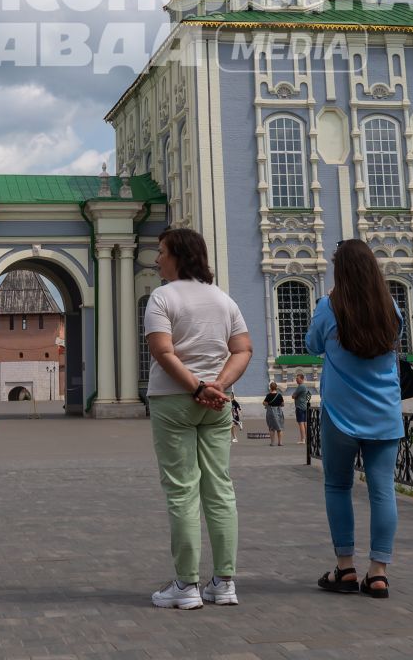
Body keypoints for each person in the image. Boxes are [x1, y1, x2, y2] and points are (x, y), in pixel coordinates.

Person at [143, 225, 252, 610]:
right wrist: (217, 385)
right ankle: (224, 582)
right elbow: (243, 349)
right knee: (220, 489)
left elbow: (162, 351)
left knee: (181, 491)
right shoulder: (224, 300)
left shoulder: (161, 297)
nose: (157, 259)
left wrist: (195, 387)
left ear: (179, 256)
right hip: (218, 405)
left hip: (175, 402)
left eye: (161, 251)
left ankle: (186, 586)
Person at [307, 239, 403, 601]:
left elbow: (311, 345)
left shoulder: (329, 307)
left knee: (337, 486)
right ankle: (378, 573)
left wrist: (325, 305)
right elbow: (395, 341)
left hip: (340, 414)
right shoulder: (390, 307)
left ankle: (345, 567)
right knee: (383, 491)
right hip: (384, 413)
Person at [264, 381, 286, 447]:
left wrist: (268, 404)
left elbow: (264, 403)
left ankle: (272, 442)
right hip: (278, 412)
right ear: (276, 388)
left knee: (271, 428)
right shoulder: (279, 395)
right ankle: (280, 442)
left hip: (270, 412)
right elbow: (283, 404)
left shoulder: (268, 395)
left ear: (270, 388)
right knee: (280, 427)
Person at [291, 373, 313, 439]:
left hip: (300, 407)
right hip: (304, 406)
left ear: (302, 379)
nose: (296, 380)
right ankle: (307, 438)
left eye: (297, 379)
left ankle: (302, 439)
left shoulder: (301, 386)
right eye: (296, 379)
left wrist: (295, 396)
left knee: (301, 423)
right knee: (305, 423)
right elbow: (309, 395)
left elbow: (293, 396)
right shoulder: (304, 387)